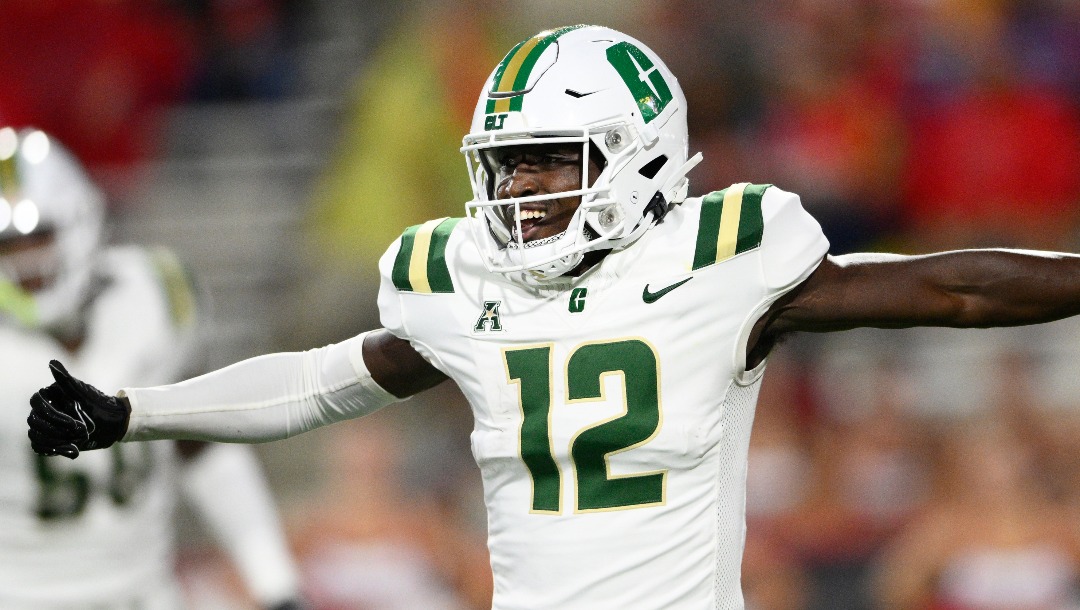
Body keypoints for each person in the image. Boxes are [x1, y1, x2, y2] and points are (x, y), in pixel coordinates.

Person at [23, 25, 1080, 609]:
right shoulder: (468, 274)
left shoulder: (722, 262)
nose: (519, 189)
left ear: (643, 155)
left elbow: (954, 286)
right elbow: (313, 380)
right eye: (506, 164)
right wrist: (133, 410)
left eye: (548, 162)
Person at [0, 126, 303, 609]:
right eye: (8, 248)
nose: (26, 264)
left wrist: (274, 582)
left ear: (80, 219)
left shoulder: (155, 293)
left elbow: (203, 446)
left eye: (38, 237)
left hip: (148, 594)